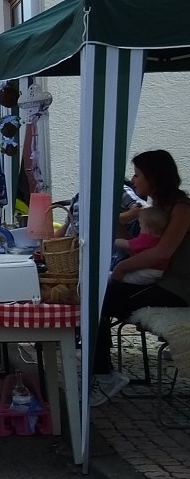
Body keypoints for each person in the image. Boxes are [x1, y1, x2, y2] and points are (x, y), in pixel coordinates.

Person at [93, 150, 190, 405]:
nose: (133, 181)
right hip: (157, 280)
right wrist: (111, 216)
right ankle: (101, 371)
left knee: (97, 302)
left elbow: (161, 253)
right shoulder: (160, 207)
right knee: (95, 297)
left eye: (137, 175)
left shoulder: (182, 209)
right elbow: (138, 244)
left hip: (176, 287)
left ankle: (104, 375)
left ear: (154, 177)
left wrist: (121, 271)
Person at [113, 206, 168, 284]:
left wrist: (113, 241)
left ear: (148, 229)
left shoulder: (147, 239)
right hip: (159, 271)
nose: (140, 229)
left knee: (119, 275)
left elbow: (126, 244)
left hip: (147, 272)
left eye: (141, 226)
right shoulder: (162, 239)